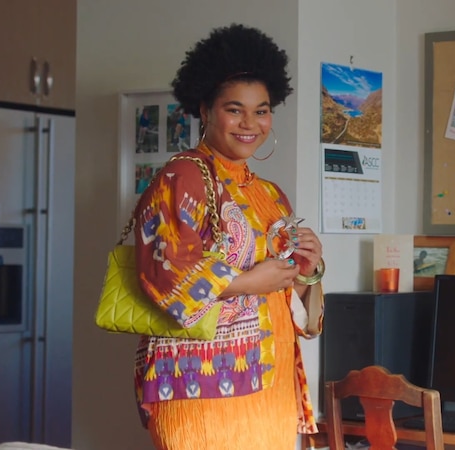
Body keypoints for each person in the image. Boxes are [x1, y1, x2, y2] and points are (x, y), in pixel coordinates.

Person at [132, 24, 325, 450]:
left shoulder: (269, 195)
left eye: (261, 110)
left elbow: (296, 308)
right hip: (202, 387)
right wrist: (246, 283)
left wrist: (306, 272)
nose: (249, 123)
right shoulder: (182, 177)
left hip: (270, 388)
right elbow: (164, 272)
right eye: (234, 109)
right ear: (205, 109)